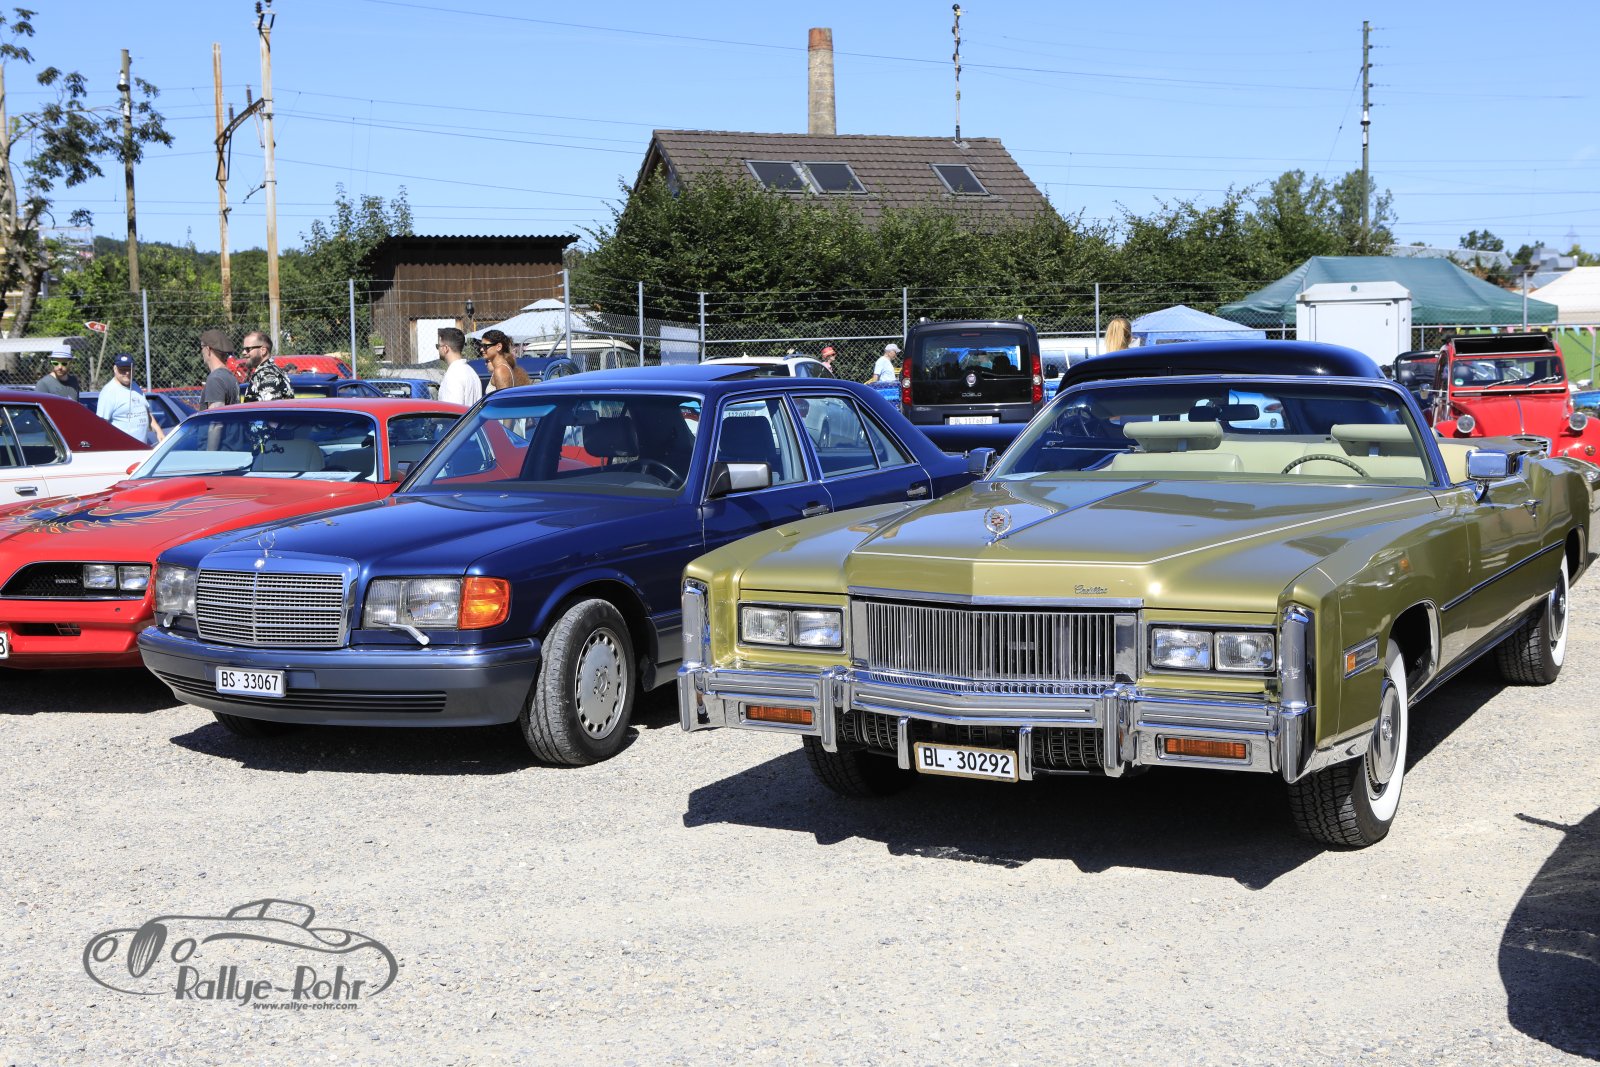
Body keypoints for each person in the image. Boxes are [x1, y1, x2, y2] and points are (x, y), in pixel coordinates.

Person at [96, 353, 165, 446]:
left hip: (141, 448)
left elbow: (145, 411)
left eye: (129, 369)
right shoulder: (109, 392)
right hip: (122, 450)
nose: (127, 373)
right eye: (123, 369)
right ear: (115, 369)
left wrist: (158, 430)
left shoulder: (135, 386)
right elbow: (101, 425)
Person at [239, 330, 296, 403]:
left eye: (248, 349)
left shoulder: (266, 375)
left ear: (263, 351)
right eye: (243, 349)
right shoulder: (272, 370)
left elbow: (271, 408)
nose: (243, 352)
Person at [436, 327, 482, 408]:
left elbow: (451, 411)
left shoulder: (453, 375)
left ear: (445, 348)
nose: (438, 349)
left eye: (438, 346)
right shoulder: (471, 371)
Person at [198, 329, 240, 409]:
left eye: (202, 347)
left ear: (208, 349)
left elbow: (215, 415)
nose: (201, 351)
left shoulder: (215, 379)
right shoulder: (229, 376)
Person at [480, 329, 530, 394]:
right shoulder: (502, 367)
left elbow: (502, 398)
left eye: (485, 346)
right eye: (481, 346)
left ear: (499, 347)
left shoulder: (500, 370)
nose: (481, 349)